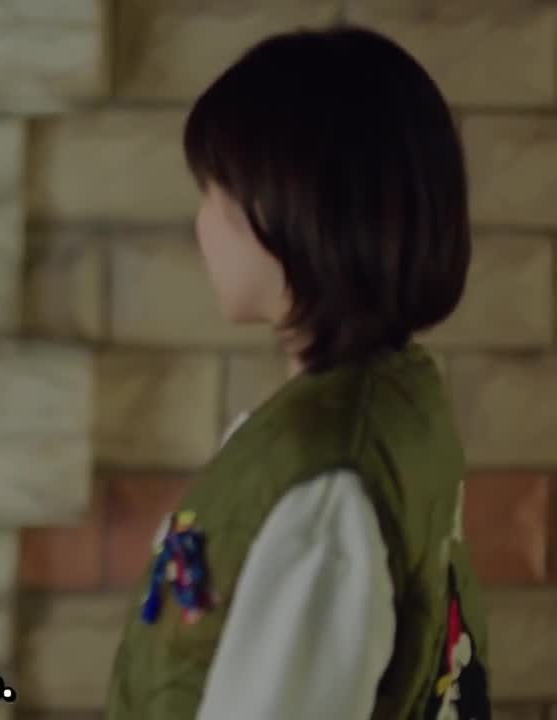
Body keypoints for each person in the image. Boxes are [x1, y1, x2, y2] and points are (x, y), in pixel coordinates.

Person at [105, 26, 492, 720]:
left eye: (217, 193)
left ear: (300, 212)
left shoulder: (328, 478)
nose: (200, 224)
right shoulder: (383, 404)